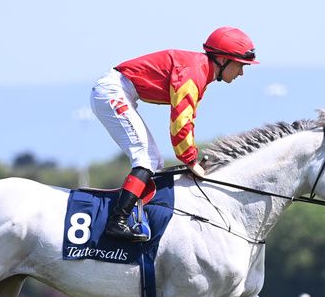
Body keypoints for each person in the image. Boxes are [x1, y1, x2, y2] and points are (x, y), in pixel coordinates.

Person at [90, 26, 259, 242]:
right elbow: (180, 122)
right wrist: (190, 160)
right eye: (240, 65)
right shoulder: (194, 73)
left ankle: (136, 215)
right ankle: (117, 222)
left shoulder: (201, 71)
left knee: (154, 161)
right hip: (112, 92)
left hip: (118, 91)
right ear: (223, 59)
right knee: (147, 159)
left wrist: (190, 158)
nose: (241, 73)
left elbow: (188, 118)